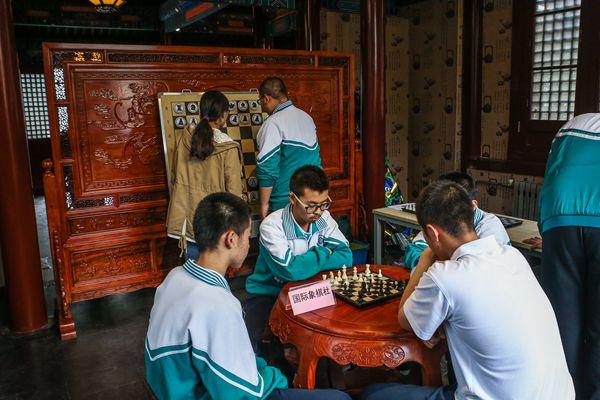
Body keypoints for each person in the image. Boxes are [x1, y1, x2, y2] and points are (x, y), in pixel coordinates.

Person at [361, 181, 574, 400]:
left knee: (373, 394)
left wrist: (426, 258)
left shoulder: (445, 276)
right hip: (561, 394)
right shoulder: (512, 256)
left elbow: (405, 318)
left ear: (432, 233)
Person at [146, 192, 351, 400]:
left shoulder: (175, 277)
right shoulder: (217, 305)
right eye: (247, 235)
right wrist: (277, 376)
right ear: (231, 239)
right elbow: (242, 392)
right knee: (340, 398)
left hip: (169, 389)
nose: (248, 243)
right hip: (204, 394)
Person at [245, 165, 352, 351]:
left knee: (329, 338)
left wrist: (304, 264)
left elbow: (346, 257)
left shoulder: (324, 218)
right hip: (269, 292)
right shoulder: (272, 226)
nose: (318, 212)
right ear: (293, 199)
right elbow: (290, 271)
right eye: (311, 206)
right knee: (265, 351)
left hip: (310, 290)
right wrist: (324, 252)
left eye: (324, 204)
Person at [539, 113, 600, 399]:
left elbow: (552, 175)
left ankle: (561, 392)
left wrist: (548, 230)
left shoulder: (574, 125)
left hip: (559, 215)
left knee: (563, 318)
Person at [166, 90, 243, 261]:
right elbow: (234, 194)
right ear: (223, 116)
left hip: (187, 219)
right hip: (215, 223)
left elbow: (174, 177)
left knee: (192, 271)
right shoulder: (228, 147)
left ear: (201, 112)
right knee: (213, 273)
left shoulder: (184, 138)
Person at [404, 171, 509, 270]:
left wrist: (432, 261)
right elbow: (414, 251)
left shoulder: (490, 227)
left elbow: (478, 268)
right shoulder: (439, 220)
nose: (445, 214)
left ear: (473, 205)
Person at [256, 77, 322, 218]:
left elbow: (267, 169)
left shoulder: (273, 123)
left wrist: (264, 206)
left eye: (260, 100)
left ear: (266, 98)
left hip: (285, 204)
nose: (261, 105)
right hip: (313, 199)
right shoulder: (307, 118)